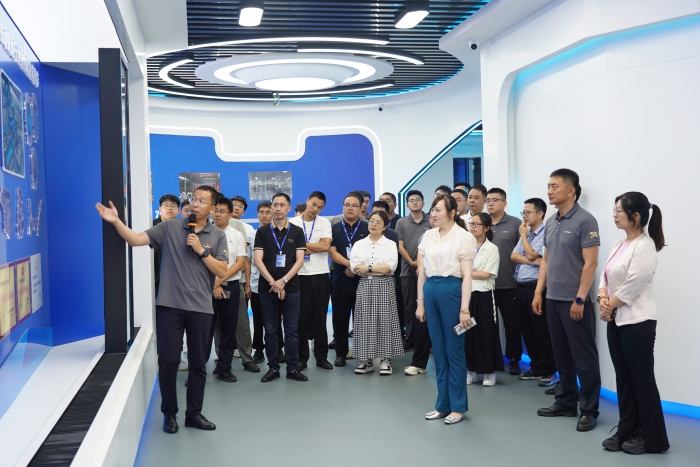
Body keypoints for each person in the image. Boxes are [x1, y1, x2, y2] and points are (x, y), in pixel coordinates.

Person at [96, 185, 227, 433]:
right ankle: (169, 414)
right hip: (170, 305)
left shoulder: (217, 234)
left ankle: (194, 414)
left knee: (199, 363)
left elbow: (221, 270)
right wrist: (116, 222)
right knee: (169, 361)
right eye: (194, 199)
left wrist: (201, 251)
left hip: (201, 307)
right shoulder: (169, 227)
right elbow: (135, 240)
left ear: (212, 208)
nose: (195, 203)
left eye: (202, 201)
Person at [598, 193, 669, 454]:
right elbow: (605, 276)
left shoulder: (645, 246)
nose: (614, 215)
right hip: (616, 321)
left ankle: (653, 439)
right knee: (624, 379)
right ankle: (627, 429)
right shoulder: (620, 244)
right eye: (614, 209)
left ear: (635, 216)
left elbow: (632, 284)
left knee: (642, 380)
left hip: (638, 322)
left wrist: (608, 306)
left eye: (619, 210)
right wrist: (602, 297)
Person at [533, 168, 601, 432]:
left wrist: (580, 299)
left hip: (575, 301)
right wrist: (539, 292)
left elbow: (591, 263)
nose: (549, 191)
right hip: (553, 298)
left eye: (554, 186)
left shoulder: (585, 220)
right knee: (561, 355)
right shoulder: (552, 221)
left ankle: (589, 410)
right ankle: (565, 401)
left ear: (571, 190)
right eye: (548, 186)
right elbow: (546, 260)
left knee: (584, 358)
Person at [416, 195, 476, 425]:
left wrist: (465, 309)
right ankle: (442, 404)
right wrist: (420, 302)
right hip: (430, 289)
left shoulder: (464, 237)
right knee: (439, 351)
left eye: (438, 210)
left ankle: (458, 407)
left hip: (452, 290)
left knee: (454, 350)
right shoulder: (428, 235)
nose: (433, 214)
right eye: (432, 209)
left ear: (452, 213)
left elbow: (468, 275)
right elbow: (421, 272)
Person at [254, 193, 308, 383]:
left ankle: (292, 368)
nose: (277, 208)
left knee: (291, 330)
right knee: (270, 330)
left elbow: (300, 260)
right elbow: (258, 260)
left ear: (288, 208)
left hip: (291, 287)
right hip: (267, 288)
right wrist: (274, 283)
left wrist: (283, 281)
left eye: (281, 205)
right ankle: (273, 368)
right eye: (275, 205)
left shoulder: (297, 231)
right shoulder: (262, 232)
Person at [511, 198, 558, 386]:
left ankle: (549, 370)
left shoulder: (544, 233)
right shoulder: (528, 234)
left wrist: (523, 236)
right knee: (528, 331)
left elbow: (532, 254)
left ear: (540, 214)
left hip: (536, 287)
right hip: (521, 286)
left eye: (528, 212)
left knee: (541, 330)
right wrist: (531, 259)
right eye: (523, 212)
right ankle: (536, 366)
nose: (525, 216)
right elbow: (514, 256)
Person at [350, 210, 402, 375]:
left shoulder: (390, 244)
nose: (373, 224)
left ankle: (386, 360)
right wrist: (374, 268)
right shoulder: (359, 244)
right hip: (365, 284)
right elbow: (355, 267)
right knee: (363, 321)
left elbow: (389, 268)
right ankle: (365, 360)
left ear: (385, 227)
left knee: (385, 321)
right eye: (372, 221)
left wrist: (368, 267)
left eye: (379, 222)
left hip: (385, 284)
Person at [289, 191, 334, 371]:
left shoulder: (324, 223)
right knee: (300, 319)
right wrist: (315, 247)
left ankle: (321, 357)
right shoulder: (292, 223)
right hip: (299, 275)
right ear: (307, 201)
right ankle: (302, 358)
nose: (315, 209)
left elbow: (326, 246)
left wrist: (301, 245)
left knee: (320, 318)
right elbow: (290, 249)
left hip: (320, 274)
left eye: (320, 207)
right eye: (313, 204)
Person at [209, 197, 246, 383]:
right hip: (206, 288)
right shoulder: (203, 233)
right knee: (204, 331)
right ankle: (197, 371)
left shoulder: (237, 235)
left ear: (230, 215)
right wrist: (213, 284)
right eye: (215, 210)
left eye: (222, 211)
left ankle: (224, 368)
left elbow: (240, 263)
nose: (217, 214)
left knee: (228, 330)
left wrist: (219, 281)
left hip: (230, 286)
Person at [329, 192, 369, 366]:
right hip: (340, 279)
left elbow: (371, 252)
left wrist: (355, 267)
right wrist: (349, 264)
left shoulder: (367, 227)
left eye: (354, 205)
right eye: (347, 205)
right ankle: (341, 354)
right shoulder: (335, 227)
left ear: (361, 208)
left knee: (362, 319)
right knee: (340, 319)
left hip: (363, 280)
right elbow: (332, 251)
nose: (350, 208)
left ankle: (363, 354)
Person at [486, 187, 523, 375]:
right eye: (488, 200)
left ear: (504, 203)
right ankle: (491, 358)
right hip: (485, 284)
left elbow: (524, 251)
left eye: (495, 200)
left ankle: (514, 359)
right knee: (487, 325)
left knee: (512, 324)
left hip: (509, 283)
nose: (490, 203)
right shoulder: (482, 223)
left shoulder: (516, 223)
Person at [464, 213, 503, 386]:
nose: (472, 226)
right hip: (466, 295)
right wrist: (469, 273)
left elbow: (486, 274)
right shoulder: (465, 247)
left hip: (484, 295)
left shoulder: (492, 249)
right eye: (471, 223)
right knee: (467, 332)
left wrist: (466, 273)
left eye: (477, 224)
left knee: (485, 333)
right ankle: (471, 370)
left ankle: (489, 372)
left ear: (487, 228)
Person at [396, 190, 432, 376]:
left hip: (428, 271)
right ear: (407, 204)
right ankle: (411, 339)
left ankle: (428, 341)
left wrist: (420, 264)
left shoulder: (431, 221)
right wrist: (412, 262)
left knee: (427, 306)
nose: (415, 202)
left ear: (423, 203)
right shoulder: (402, 222)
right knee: (410, 306)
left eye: (418, 200)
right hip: (407, 270)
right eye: (411, 200)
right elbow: (400, 245)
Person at [249, 201, 284, 364]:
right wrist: (248, 284)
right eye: (261, 212)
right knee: (258, 319)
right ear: (257, 214)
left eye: (267, 212)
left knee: (276, 319)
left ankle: (278, 349)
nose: (264, 215)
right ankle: (258, 349)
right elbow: (248, 261)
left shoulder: (279, 234)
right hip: (257, 283)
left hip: (276, 283)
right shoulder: (251, 235)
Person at [229, 195, 259, 372]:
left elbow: (246, 259)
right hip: (216, 282)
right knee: (221, 324)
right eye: (233, 205)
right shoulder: (211, 227)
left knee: (242, 322)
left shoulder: (244, 228)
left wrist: (247, 284)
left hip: (238, 281)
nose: (236, 208)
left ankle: (246, 356)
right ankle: (225, 356)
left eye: (240, 206)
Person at [154, 194, 180, 296]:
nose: (169, 208)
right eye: (166, 205)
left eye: (173, 205)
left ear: (178, 210)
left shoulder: (184, 228)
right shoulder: (150, 226)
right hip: (154, 276)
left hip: (176, 279)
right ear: (160, 209)